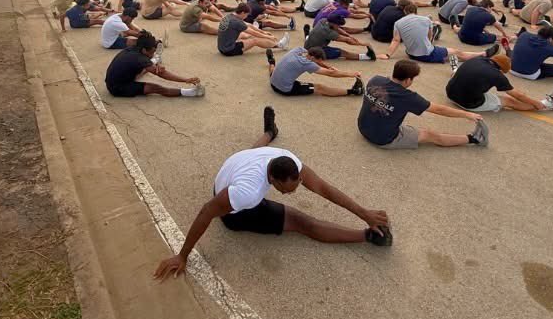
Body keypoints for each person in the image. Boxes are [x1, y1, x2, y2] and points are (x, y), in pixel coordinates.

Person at [154, 107, 392, 281]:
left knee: (254, 151)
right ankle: (368, 237)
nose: (293, 192)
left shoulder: (287, 160)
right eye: (286, 190)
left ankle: (270, 131)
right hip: (234, 208)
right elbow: (207, 211)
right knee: (302, 222)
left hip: (236, 169)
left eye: (297, 184)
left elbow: (323, 188)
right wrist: (182, 255)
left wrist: (364, 212)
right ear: (272, 179)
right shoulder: (248, 193)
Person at [357, 60, 489, 149]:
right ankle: (474, 139)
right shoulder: (407, 97)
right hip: (382, 138)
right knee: (430, 135)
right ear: (408, 80)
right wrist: (467, 114)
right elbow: (440, 110)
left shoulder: (375, 79)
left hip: (362, 127)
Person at [379, 2, 496, 64]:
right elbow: (430, 38)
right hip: (426, 54)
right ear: (416, 11)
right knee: (456, 53)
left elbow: (395, 40)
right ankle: (483, 54)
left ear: (405, 12)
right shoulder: (425, 20)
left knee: (451, 54)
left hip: (411, 53)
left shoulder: (398, 22)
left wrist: (387, 55)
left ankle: (471, 57)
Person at [446, 54, 553, 113]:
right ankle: (549, 104)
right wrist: (536, 103)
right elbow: (516, 95)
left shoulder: (477, 59)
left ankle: (454, 68)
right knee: (509, 101)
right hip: (467, 103)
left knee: (461, 74)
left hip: (450, 93)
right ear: (501, 70)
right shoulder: (496, 74)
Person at [105, 31, 205, 98]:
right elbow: (163, 74)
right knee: (155, 88)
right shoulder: (139, 59)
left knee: (145, 69)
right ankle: (190, 92)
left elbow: (147, 64)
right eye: (151, 52)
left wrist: (155, 66)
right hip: (117, 88)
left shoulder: (135, 48)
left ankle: (155, 60)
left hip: (120, 77)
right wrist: (186, 80)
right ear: (144, 49)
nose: (152, 53)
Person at [267, 47, 365, 98]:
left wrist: (328, 66)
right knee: (319, 87)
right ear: (313, 58)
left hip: (272, 81)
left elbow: (318, 62)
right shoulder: (307, 64)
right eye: (318, 61)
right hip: (284, 89)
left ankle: (271, 62)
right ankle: (354, 91)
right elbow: (330, 74)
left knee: (275, 69)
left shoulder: (298, 50)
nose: (319, 63)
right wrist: (351, 74)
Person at [217, 4, 289, 57]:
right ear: (242, 13)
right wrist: (268, 37)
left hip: (221, 47)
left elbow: (248, 25)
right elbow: (254, 33)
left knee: (243, 34)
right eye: (246, 15)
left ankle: (242, 39)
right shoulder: (237, 22)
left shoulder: (229, 16)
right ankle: (280, 45)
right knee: (255, 40)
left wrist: (263, 32)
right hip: (229, 50)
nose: (246, 17)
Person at [304, 14, 376, 61]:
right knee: (341, 52)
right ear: (333, 23)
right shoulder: (328, 32)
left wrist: (348, 35)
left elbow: (338, 29)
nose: (339, 26)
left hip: (308, 43)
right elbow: (346, 40)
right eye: (338, 25)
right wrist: (363, 44)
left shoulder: (323, 21)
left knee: (313, 36)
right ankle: (367, 57)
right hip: (314, 50)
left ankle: (307, 35)